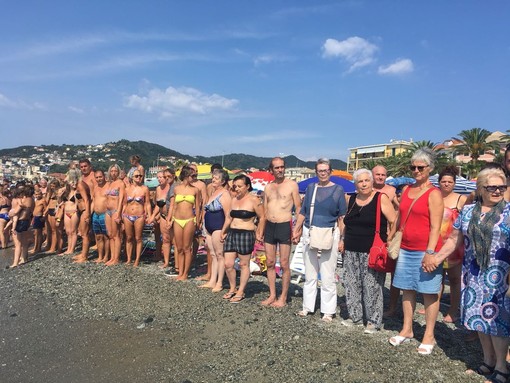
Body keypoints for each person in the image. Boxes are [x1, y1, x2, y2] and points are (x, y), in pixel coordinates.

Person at [427, 167, 509, 382]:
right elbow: (455, 239)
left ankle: (502, 366)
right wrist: (436, 257)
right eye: (492, 187)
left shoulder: (509, 212)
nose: (498, 191)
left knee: (498, 321)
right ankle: (488, 360)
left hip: (501, 276)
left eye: (502, 187)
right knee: (479, 319)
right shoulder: (468, 211)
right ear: (481, 188)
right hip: (474, 274)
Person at [388, 148, 444, 355]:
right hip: (406, 248)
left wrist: (430, 252)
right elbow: (400, 218)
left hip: (425, 250)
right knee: (407, 289)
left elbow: (436, 227)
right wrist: (391, 236)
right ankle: (407, 328)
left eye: (421, 167)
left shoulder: (434, 193)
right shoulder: (408, 190)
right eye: (413, 167)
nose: (416, 170)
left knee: (429, 293)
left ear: (430, 168)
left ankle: (429, 334)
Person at [339, 168, 396, 333]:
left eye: (366, 181)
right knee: (351, 284)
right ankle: (355, 317)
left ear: (371, 182)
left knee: (372, 286)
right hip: (350, 249)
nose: (363, 184)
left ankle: (373, 320)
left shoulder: (380, 198)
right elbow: (345, 222)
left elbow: (394, 220)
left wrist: (389, 240)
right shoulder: (351, 199)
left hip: (372, 251)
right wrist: (342, 240)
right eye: (360, 181)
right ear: (355, 184)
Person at [292, 158, 347, 321]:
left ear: (330, 172)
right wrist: (297, 229)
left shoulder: (338, 190)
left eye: (325, 170)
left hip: (330, 233)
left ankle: (328, 310)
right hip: (310, 232)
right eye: (320, 170)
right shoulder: (310, 188)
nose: (323, 173)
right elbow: (303, 211)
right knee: (310, 273)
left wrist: (342, 238)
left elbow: (342, 217)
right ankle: (307, 307)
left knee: (328, 274)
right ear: (316, 172)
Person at [261, 157, 301, 308]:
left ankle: (283, 297)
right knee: (270, 262)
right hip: (270, 226)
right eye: (276, 168)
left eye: (282, 167)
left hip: (284, 225)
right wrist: (260, 230)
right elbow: (264, 210)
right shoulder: (268, 187)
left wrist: (297, 229)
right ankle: (272, 294)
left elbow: (298, 208)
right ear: (271, 170)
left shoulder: (291, 185)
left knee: (284, 264)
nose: (280, 170)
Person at [221, 175, 265, 303]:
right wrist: (224, 231)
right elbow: (229, 217)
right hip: (232, 232)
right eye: (235, 186)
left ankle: (241, 291)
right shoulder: (234, 199)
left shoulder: (254, 200)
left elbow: (262, 217)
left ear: (247, 186)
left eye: (240, 186)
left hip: (246, 233)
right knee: (228, 264)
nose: (237, 188)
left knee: (243, 264)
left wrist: (259, 233)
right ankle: (233, 287)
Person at [437, 166, 467, 323]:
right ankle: (433, 305)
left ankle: (453, 310)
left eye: (449, 181)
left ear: (454, 183)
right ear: (439, 182)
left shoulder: (461, 199)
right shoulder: (435, 197)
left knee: (455, 280)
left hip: (454, 245)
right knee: (436, 278)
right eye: (443, 181)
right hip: (436, 244)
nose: (446, 184)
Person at [199, 169, 231, 292]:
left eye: (216, 178)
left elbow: (228, 215)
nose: (213, 179)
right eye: (213, 177)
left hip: (218, 227)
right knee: (213, 255)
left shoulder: (225, 194)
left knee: (219, 255)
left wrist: (224, 231)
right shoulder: (213, 192)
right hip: (209, 227)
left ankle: (219, 283)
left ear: (223, 181)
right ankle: (212, 280)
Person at [171, 166, 201, 280]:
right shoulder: (176, 189)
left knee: (187, 248)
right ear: (186, 176)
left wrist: (198, 221)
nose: (194, 178)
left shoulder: (195, 190)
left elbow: (198, 207)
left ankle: (185, 273)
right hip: (177, 219)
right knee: (179, 248)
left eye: (195, 176)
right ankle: (180, 272)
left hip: (189, 219)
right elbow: (174, 206)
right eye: (193, 176)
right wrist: (171, 218)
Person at [123, 169, 151, 267]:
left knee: (138, 238)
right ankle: (129, 258)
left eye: (140, 176)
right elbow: (124, 203)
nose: (139, 177)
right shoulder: (126, 189)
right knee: (129, 238)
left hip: (139, 215)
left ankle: (137, 259)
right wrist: (121, 215)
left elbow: (147, 203)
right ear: (131, 177)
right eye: (136, 176)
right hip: (127, 215)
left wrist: (149, 215)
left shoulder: (144, 188)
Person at [149, 170, 175, 269]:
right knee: (165, 239)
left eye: (161, 177)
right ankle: (166, 261)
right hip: (163, 216)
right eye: (158, 177)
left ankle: (176, 262)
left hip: (172, 215)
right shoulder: (158, 189)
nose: (159, 179)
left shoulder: (172, 188)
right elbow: (158, 205)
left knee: (174, 240)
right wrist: (153, 216)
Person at [8, 185, 34, 268]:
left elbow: (16, 211)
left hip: (20, 222)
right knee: (24, 242)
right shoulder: (31, 199)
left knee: (17, 244)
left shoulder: (24, 200)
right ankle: (24, 258)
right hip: (26, 221)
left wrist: (11, 213)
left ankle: (15, 262)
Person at [104, 164, 125, 266]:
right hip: (107, 211)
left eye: (115, 171)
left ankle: (116, 258)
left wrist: (119, 213)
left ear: (118, 172)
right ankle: (112, 257)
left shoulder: (120, 183)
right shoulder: (110, 183)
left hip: (115, 211)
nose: (113, 173)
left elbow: (121, 200)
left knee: (116, 235)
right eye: (111, 171)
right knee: (110, 235)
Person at [91, 170, 110, 263]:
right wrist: (89, 214)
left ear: (104, 176)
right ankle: (100, 256)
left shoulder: (109, 186)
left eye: (100, 177)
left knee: (106, 236)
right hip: (96, 214)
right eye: (97, 177)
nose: (99, 179)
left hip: (105, 214)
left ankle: (106, 256)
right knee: (98, 236)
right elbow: (93, 201)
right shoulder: (95, 188)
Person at [43, 179, 63, 254]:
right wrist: (46, 211)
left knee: (55, 231)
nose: (52, 187)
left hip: (56, 211)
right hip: (50, 210)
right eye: (51, 186)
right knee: (51, 230)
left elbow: (60, 203)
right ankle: (51, 246)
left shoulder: (59, 192)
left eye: (53, 186)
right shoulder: (51, 193)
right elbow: (49, 203)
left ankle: (54, 247)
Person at [30, 188, 47, 254]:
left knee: (38, 234)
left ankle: (38, 248)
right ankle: (35, 247)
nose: (37, 196)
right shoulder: (36, 200)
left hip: (39, 217)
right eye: (36, 194)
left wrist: (43, 216)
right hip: (35, 217)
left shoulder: (43, 201)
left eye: (38, 194)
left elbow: (45, 209)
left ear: (41, 194)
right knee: (36, 234)